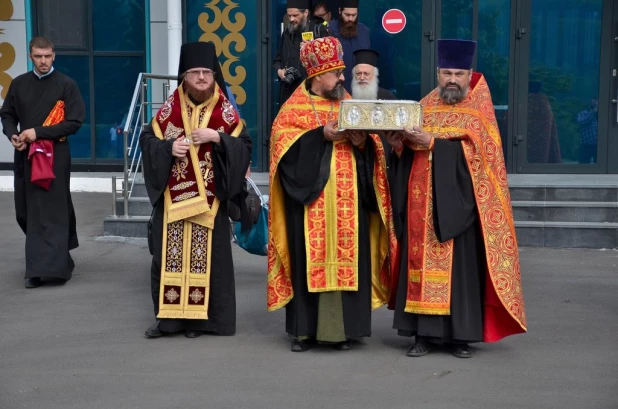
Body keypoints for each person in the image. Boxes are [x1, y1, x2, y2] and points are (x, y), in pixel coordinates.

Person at [386, 39, 527, 358]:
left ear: (469, 74)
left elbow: (482, 164)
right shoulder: (423, 105)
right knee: (420, 269)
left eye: (458, 73)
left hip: (461, 209)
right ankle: (423, 335)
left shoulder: (478, 111)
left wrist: (434, 143)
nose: (452, 79)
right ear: (438, 73)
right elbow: (408, 153)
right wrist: (398, 146)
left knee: (460, 273)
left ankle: (460, 337)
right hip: (421, 206)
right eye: (446, 72)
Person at [268, 36, 396, 352]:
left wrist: (361, 143)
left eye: (342, 71)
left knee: (349, 259)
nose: (342, 77)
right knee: (307, 261)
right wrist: (319, 136)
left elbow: (375, 152)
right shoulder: (292, 111)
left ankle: (345, 332)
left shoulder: (350, 104)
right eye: (336, 72)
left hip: (350, 205)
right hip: (309, 204)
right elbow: (283, 159)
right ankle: (304, 332)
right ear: (316, 75)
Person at [139, 41, 252, 339]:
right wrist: (167, 147)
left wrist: (218, 137)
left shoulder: (225, 111)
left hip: (210, 201)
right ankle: (170, 321)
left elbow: (245, 147)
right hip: (172, 199)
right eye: (195, 73)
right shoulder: (169, 109)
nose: (202, 78)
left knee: (210, 261)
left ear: (214, 74)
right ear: (184, 77)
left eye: (207, 72)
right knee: (167, 258)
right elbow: (147, 141)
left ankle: (203, 323)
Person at [0, 36, 85, 289]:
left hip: (56, 155)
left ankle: (48, 269)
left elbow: (74, 122)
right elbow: (6, 115)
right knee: (27, 210)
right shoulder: (18, 84)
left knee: (53, 210)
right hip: (25, 154)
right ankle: (53, 258)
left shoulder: (67, 85)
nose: (44, 61)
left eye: (48, 56)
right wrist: (12, 134)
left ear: (54, 55)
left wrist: (37, 132)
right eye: (38, 56)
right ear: (30, 57)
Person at [273, 0, 330, 106]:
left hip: (311, 96)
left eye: (295, 15)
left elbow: (330, 64)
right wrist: (280, 72)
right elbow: (277, 60)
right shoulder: (287, 32)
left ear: (306, 13)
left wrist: (312, 50)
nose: (291, 19)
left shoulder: (319, 31)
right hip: (288, 95)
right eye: (289, 16)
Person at [327, 0, 370, 92]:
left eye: (354, 15)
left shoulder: (364, 31)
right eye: (347, 15)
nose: (350, 19)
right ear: (340, 11)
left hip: (361, 88)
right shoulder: (328, 30)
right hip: (337, 88)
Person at [577, 98, 598, 164]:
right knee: (583, 164)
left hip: (598, 145)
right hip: (586, 144)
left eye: (596, 104)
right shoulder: (583, 113)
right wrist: (592, 113)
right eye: (593, 104)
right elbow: (581, 121)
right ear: (589, 105)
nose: (594, 106)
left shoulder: (602, 115)